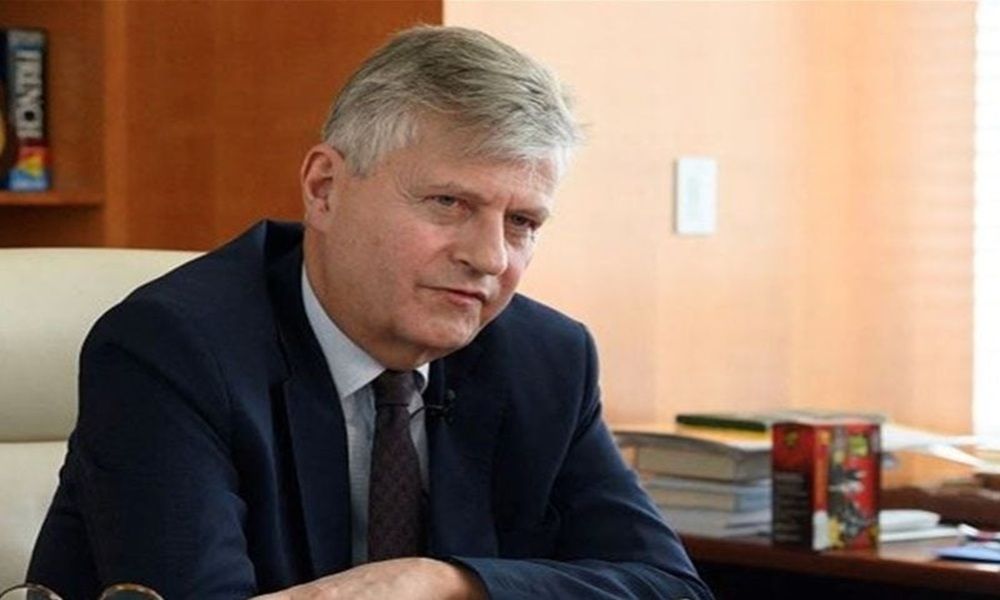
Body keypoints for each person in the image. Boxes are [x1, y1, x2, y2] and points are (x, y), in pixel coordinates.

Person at [27, 26, 713, 600]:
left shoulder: (546, 358)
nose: (490, 257)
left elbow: (669, 587)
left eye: (523, 222)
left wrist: (444, 583)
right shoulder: (170, 349)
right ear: (325, 188)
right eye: (449, 203)